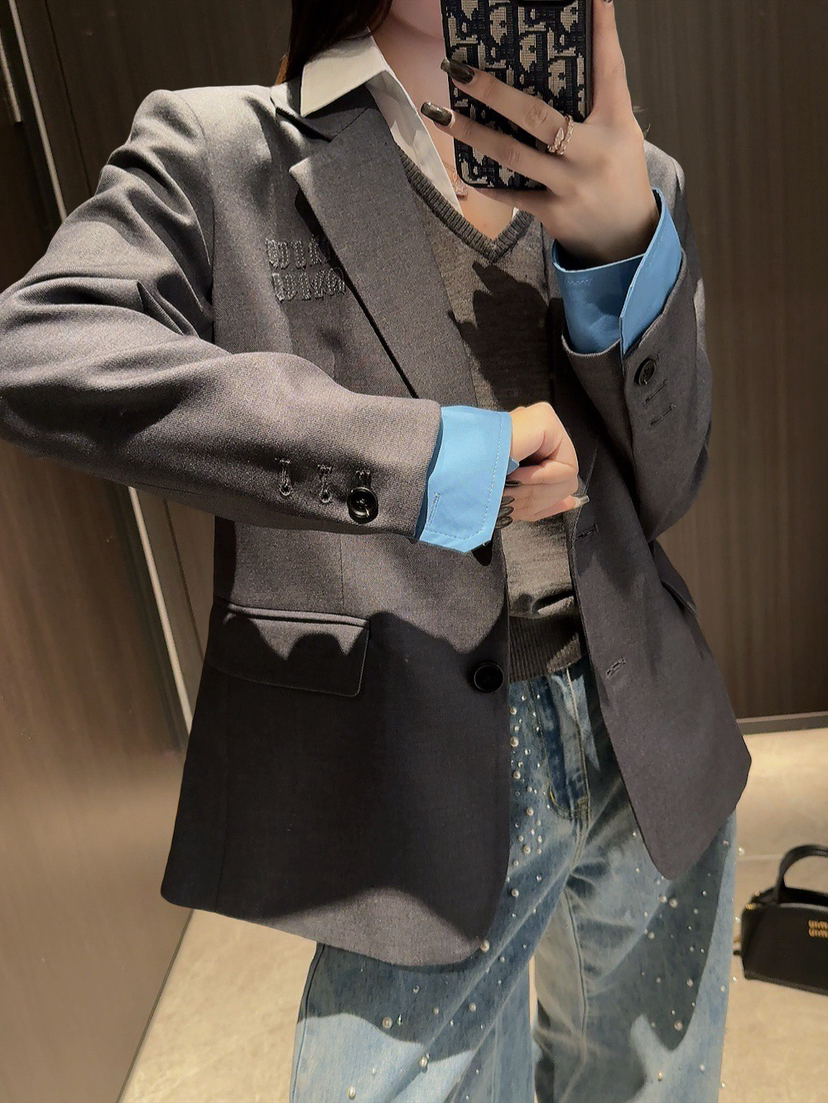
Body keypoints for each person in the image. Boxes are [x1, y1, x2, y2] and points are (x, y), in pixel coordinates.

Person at [0, 0, 750, 1099]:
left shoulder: (635, 174)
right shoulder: (227, 151)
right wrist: (431, 459)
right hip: (407, 757)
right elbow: (39, 345)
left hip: (650, 723)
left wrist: (622, 241)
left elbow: (669, 482)